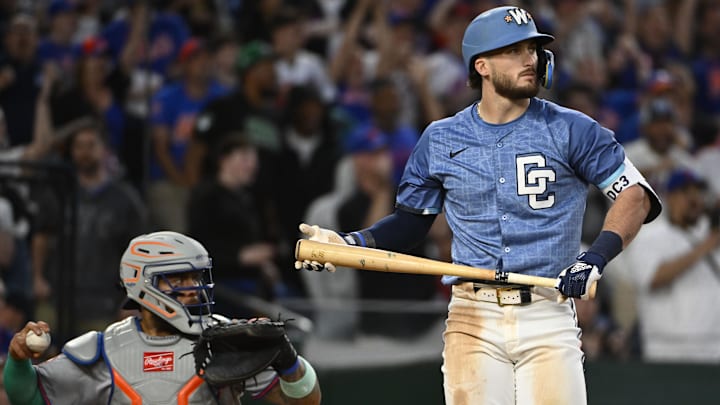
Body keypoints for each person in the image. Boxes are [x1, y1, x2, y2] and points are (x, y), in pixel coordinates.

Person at [296, 5, 661, 404]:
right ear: (482, 66)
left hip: (546, 311)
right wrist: (350, 244)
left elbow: (635, 194)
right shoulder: (440, 138)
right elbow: (410, 225)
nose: (530, 59)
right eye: (515, 50)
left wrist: (595, 258)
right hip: (472, 316)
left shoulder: (572, 128)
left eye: (533, 50)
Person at [3, 231, 321, 404]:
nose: (193, 289)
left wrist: (291, 364)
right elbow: (28, 396)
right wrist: (18, 361)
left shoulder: (228, 339)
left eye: (196, 278)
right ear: (143, 283)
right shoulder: (100, 350)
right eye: (179, 279)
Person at [625, 169, 720, 364]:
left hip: (713, 347)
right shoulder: (648, 236)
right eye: (686, 192)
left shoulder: (711, 234)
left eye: (698, 192)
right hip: (665, 349)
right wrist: (704, 248)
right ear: (669, 197)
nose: (694, 199)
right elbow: (653, 278)